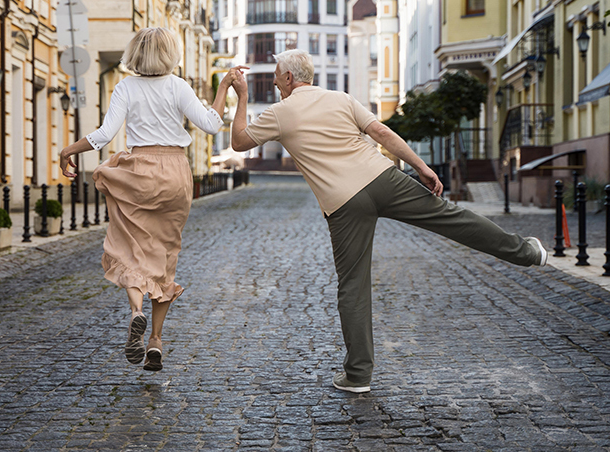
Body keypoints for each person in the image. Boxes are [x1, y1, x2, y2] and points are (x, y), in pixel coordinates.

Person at [228, 49, 548, 393]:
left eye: (277, 75)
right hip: (383, 179)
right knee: (453, 218)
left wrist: (242, 96)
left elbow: (239, 141)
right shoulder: (341, 99)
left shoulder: (280, 112)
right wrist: (422, 167)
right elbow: (381, 133)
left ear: (290, 78)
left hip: (343, 203)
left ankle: (358, 376)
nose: (274, 81)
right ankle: (526, 253)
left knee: (353, 285)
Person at [59, 27, 245, 372]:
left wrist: (69, 149)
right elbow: (209, 123)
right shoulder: (178, 86)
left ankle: (136, 312)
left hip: (140, 173)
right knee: (164, 256)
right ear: (170, 54)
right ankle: (156, 341)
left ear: (136, 54)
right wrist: (223, 88)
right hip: (175, 174)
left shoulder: (126, 86)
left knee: (126, 248)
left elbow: (103, 135)